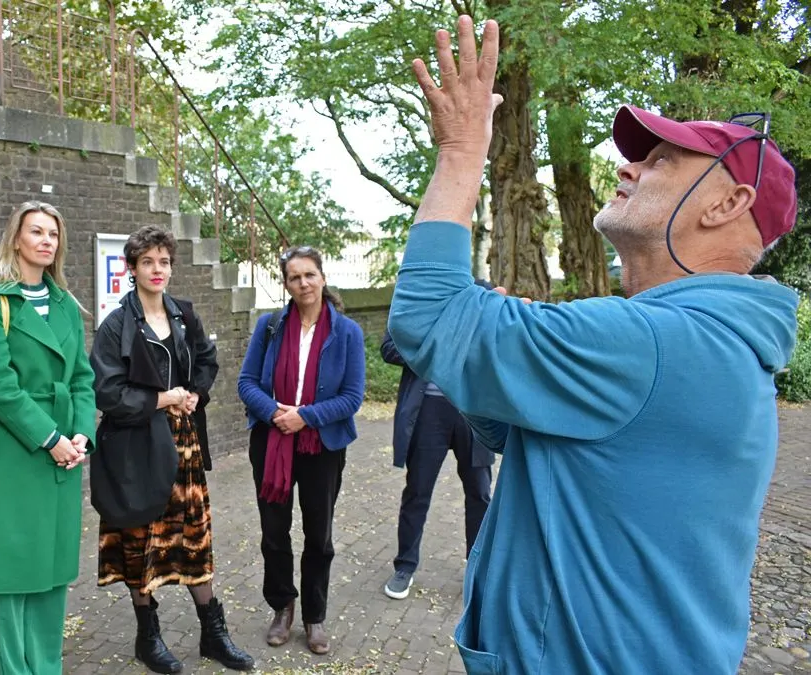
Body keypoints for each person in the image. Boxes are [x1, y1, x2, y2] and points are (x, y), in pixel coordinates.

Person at [389, 17, 800, 675]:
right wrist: (502, 363)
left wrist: (463, 148)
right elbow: (519, 434)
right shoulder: (709, 341)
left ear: (726, 205)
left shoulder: (653, 343)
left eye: (661, 159)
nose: (627, 167)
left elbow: (425, 316)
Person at [89, 225, 254, 674]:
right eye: (147, 262)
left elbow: (206, 359)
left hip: (183, 445)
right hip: (136, 448)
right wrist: (163, 398)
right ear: (132, 268)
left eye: (164, 261)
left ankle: (212, 634)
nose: (157, 269)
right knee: (140, 541)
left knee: (194, 537)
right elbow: (107, 393)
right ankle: (148, 637)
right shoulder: (116, 327)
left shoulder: (183, 314)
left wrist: (195, 393)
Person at [0, 201, 97, 675]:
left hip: (64, 450)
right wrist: (50, 438)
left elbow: (83, 376)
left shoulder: (66, 303)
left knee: (51, 567)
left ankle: (46, 667)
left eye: (53, 234)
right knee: (14, 567)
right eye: (36, 231)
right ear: (16, 239)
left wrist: (82, 434)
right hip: (17, 450)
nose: (46, 240)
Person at [237, 246, 366, 656]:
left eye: (310, 275)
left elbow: (352, 397)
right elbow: (246, 383)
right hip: (272, 440)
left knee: (319, 534)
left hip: (321, 446)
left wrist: (305, 417)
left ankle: (314, 615)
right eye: (295, 277)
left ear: (322, 278)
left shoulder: (347, 332)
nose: (303, 283)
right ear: (287, 284)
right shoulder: (270, 326)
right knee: (274, 532)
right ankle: (282, 606)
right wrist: (278, 414)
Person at [379, 327, 493, 600]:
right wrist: (437, 347)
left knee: (479, 492)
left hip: (473, 410)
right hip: (428, 409)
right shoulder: (416, 305)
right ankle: (404, 567)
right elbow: (389, 348)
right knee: (417, 490)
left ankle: (476, 571)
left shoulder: (482, 296)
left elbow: (500, 345)